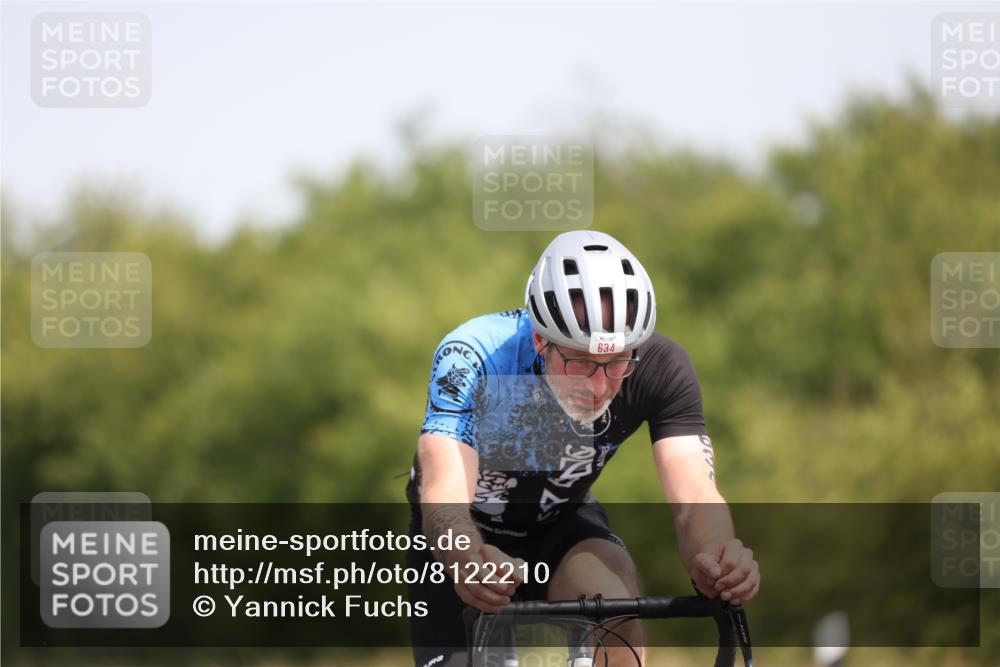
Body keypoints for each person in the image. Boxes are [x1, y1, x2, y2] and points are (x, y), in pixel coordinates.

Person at [406, 230, 760, 667]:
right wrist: (464, 555)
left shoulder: (662, 367)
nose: (598, 386)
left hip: (562, 520)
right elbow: (444, 493)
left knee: (616, 609)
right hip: (468, 532)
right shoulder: (474, 356)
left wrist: (718, 558)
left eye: (616, 363)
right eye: (581, 362)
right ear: (541, 340)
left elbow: (695, 495)